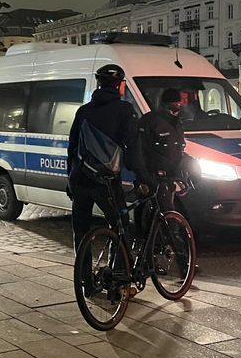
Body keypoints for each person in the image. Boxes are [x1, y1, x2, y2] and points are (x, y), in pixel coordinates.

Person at [67, 64, 139, 253]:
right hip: (106, 181)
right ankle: (119, 275)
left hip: (80, 178)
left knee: (81, 231)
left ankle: (84, 279)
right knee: (120, 225)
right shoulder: (124, 109)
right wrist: (143, 175)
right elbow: (132, 146)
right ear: (118, 85)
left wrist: (71, 179)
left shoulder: (84, 111)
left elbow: (72, 148)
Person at [136, 88, 187, 231]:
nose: (179, 106)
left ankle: (158, 243)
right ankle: (170, 244)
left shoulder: (176, 123)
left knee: (165, 213)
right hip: (154, 175)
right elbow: (141, 149)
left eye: (179, 103)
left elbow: (178, 149)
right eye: (176, 103)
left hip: (170, 176)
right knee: (165, 214)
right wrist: (146, 174)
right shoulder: (150, 121)